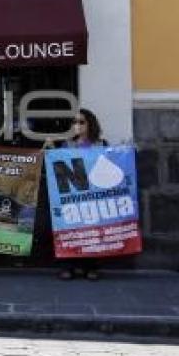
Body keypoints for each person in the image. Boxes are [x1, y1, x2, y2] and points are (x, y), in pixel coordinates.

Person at [54, 108, 108, 281]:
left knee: (93, 231)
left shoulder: (101, 144)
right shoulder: (68, 145)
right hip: (72, 195)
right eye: (74, 122)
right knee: (71, 230)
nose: (77, 125)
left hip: (94, 195)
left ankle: (91, 267)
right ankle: (69, 266)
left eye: (81, 122)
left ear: (90, 124)